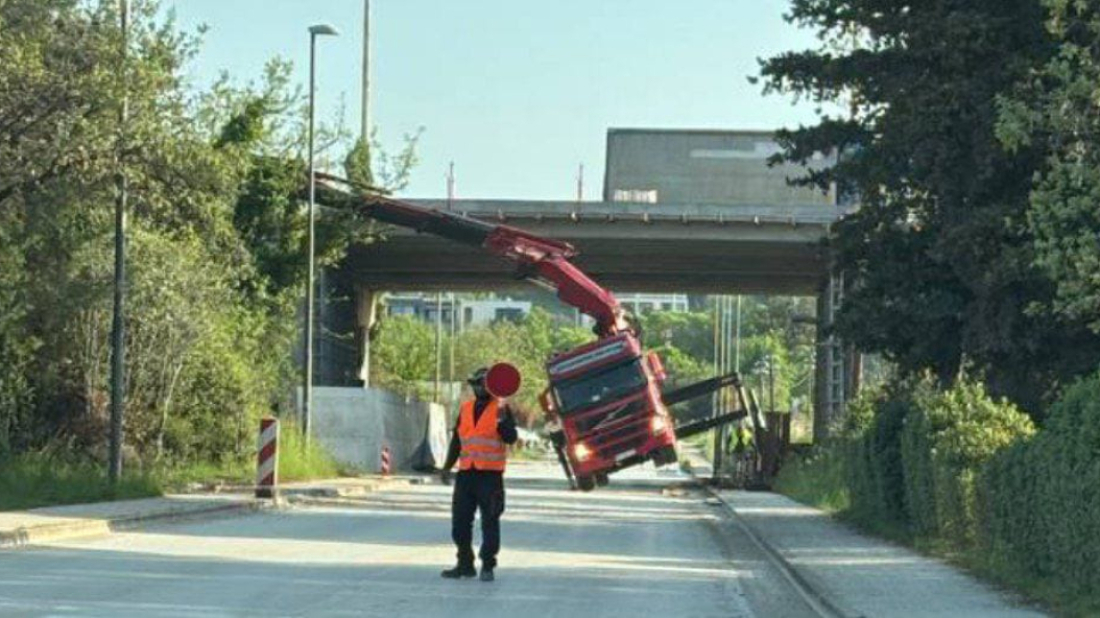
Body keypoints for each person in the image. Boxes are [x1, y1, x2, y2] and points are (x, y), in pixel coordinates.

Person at [439, 367, 518, 582]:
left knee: (490, 521)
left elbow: (511, 438)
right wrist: (447, 467)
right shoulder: (465, 409)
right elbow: (457, 442)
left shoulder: (501, 409)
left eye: (483, 384)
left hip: (490, 477)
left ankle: (488, 564)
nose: (479, 388)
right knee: (460, 523)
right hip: (466, 475)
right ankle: (465, 564)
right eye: (476, 384)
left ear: (492, 387)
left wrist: (502, 421)